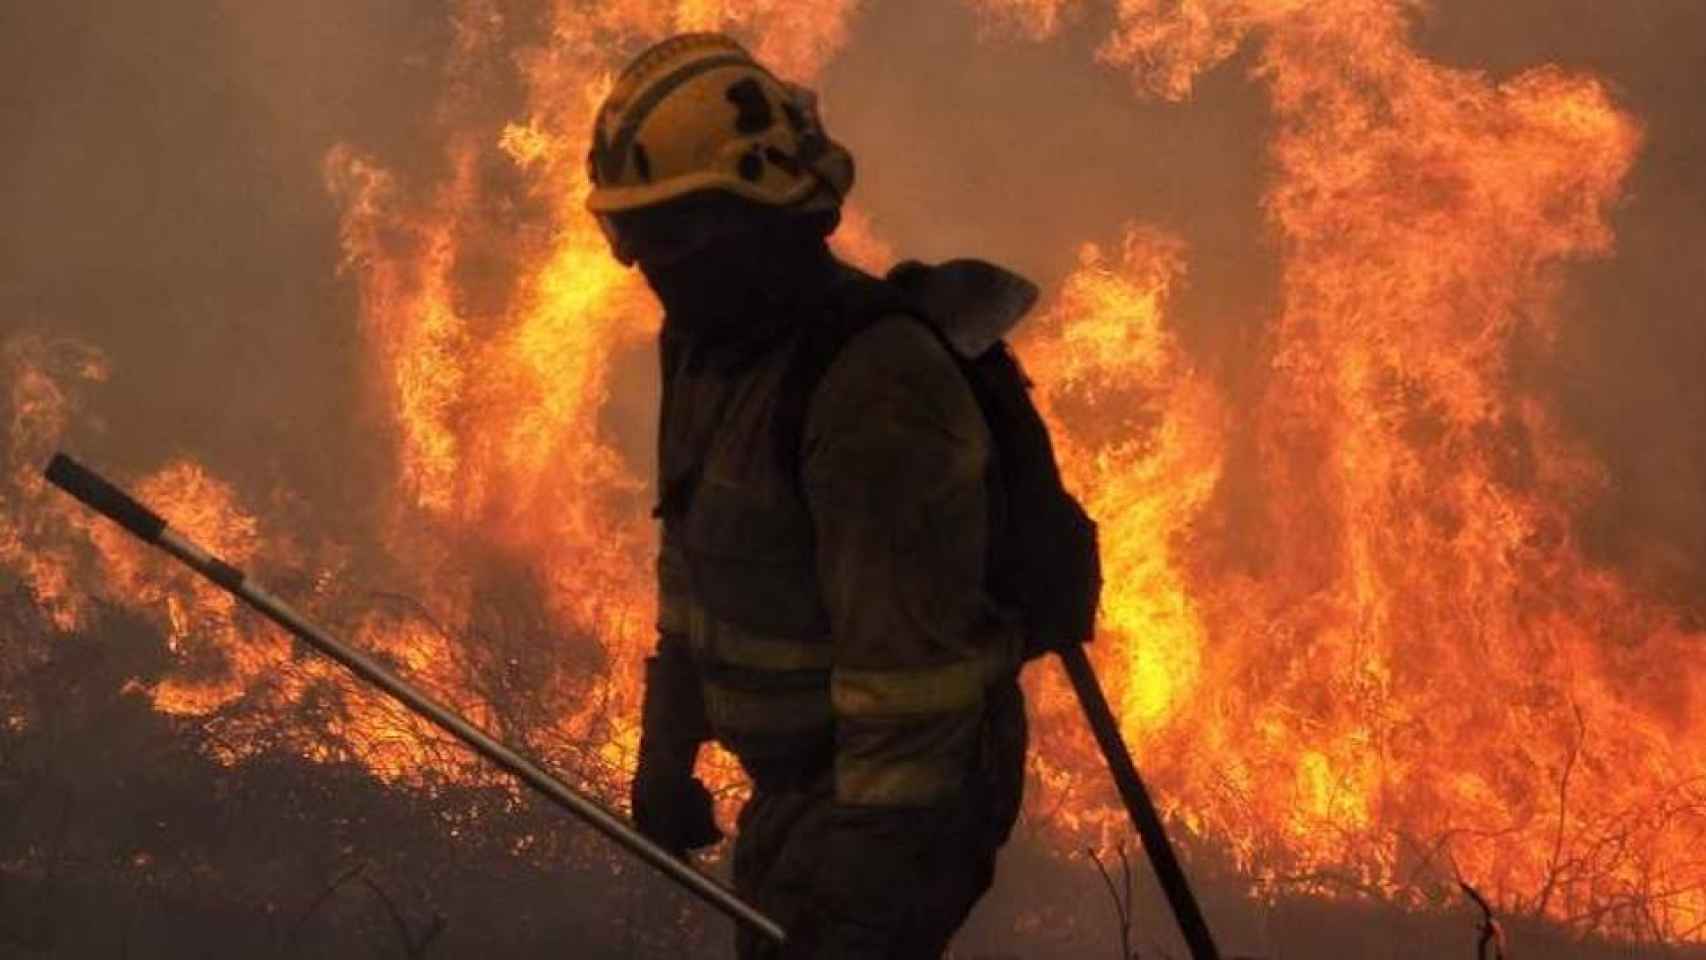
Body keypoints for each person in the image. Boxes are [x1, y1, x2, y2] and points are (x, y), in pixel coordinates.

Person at [587, 33, 1031, 959]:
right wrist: (667, 748)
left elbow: (913, 700)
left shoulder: (876, 389)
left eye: (670, 235)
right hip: (801, 782)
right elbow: (693, 564)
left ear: (757, 218)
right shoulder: (707, 342)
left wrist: (857, 910)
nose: (645, 267)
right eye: (632, 234)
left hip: (900, 802)